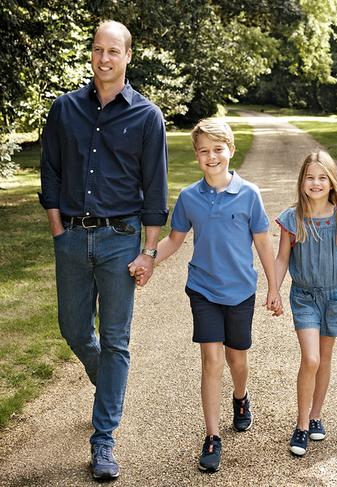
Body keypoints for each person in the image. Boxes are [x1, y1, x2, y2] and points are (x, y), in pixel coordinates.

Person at [39, 21, 168, 479]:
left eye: (113, 51)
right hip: (71, 237)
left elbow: (155, 191)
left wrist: (149, 252)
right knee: (73, 329)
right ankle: (108, 387)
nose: (104, 58)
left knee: (115, 341)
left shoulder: (148, 117)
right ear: (91, 54)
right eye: (97, 49)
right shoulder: (64, 109)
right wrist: (58, 231)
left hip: (119, 241)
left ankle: (104, 441)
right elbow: (50, 174)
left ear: (128, 56)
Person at [136, 117, 282, 473]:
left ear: (230, 151)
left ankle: (241, 397)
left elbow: (263, 242)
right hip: (203, 289)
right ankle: (213, 436)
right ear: (197, 156)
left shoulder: (249, 195)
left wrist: (274, 287)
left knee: (238, 360)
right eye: (204, 151)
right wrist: (148, 259)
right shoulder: (189, 197)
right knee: (211, 361)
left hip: (241, 291)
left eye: (218, 149)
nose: (211, 157)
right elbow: (175, 239)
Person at [274, 150, 337, 456]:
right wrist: (274, 288)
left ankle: (315, 416)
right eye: (310, 177)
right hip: (305, 297)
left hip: (334, 297)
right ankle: (300, 426)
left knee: (324, 359)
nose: (316, 183)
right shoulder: (292, 218)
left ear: (332, 182)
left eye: (322, 177)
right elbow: (282, 257)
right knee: (310, 359)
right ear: (302, 181)